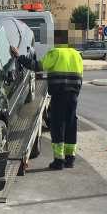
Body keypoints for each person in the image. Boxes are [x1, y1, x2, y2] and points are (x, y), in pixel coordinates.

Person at [40, 31, 84, 170]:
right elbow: (80, 76)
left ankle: (58, 161)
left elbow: (40, 66)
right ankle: (70, 159)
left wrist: (21, 58)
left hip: (59, 95)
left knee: (57, 125)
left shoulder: (55, 53)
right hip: (73, 96)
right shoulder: (77, 55)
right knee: (71, 125)